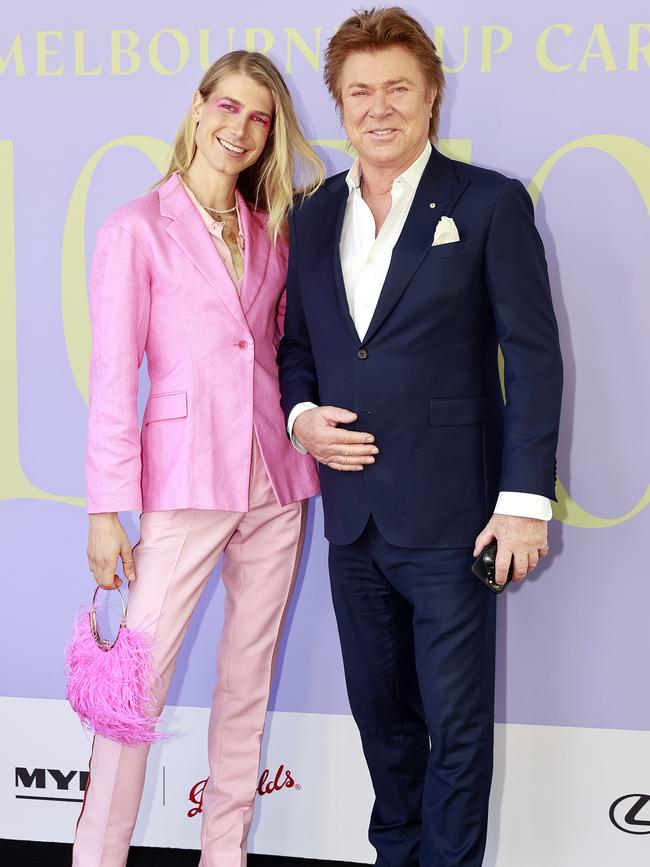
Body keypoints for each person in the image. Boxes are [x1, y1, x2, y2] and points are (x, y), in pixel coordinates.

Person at [278, 8, 563, 866]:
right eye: (359, 91)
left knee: (456, 729)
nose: (379, 107)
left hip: (455, 518)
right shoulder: (313, 213)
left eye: (398, 86)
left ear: (432, 95)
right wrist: (301, 419)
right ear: (339, 104)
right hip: (353, 521)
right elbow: (297, 347)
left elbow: (534, 358)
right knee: (381, 718)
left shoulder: (488, 202)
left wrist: (522, 505)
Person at [74, 50, 323, 867]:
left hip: (275, 483)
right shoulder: (137, 226)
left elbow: (280, 351)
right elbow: (113, 381)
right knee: (131, 694)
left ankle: (226, 855)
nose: (241, 128)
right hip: (183, 480)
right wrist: (105, 512)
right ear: (198, 106)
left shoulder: (271, 232)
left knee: (247, 687)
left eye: (259, 117)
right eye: (229, 107)